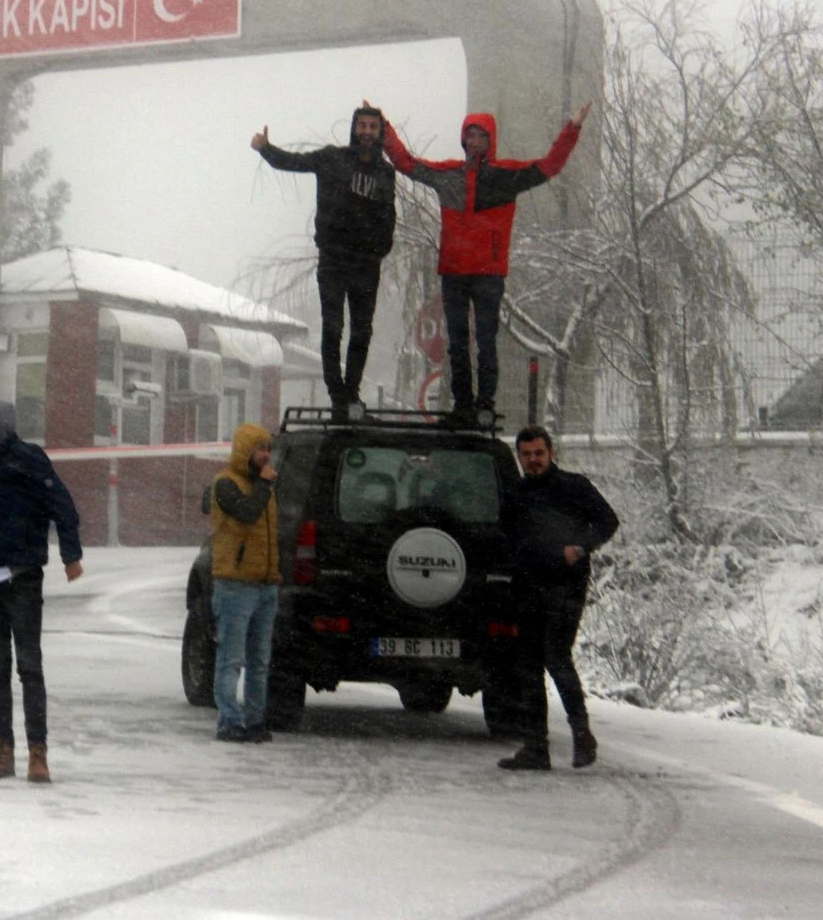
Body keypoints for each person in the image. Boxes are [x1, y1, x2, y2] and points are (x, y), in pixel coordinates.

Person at [378, 102, 591, 422]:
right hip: (453, 270)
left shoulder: (506, 176)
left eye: (480, 135)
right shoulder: (449, 174)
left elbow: (550, 166)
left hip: (488, 272)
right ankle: (463, 404)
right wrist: (383, 128)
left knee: (487, 341)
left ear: (490, 140)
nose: (474, 141)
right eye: (470, 135)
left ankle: (485, 403)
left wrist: (571, 129)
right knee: (458, 343)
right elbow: (406, 163)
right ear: (464, 141)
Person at [0, 400, 84, 784]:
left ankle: (38, 753)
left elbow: (61, 505)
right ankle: (3, 750)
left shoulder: (30, 460)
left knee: (29, 667)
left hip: (24, 577)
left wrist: (71, 555)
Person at [252, 106, 397, 414]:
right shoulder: (333, 158)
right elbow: (294, 162)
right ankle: (337, 394)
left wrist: (380, 249)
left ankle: (352, 391)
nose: (367, 132)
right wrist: (266, 149)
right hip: (333, 259)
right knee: (333, 327)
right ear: (353, 129)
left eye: (373, 126)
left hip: (366, 264)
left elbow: (388, 215)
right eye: (362, 125)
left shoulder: (385, 172)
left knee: (362, 330)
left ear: (379, 132)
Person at [498, 425, 619, 771]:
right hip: (527, 586)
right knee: (529, 666)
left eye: (539, 453)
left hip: (565, 587)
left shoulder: (574, 487)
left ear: (551, 453)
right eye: (527, 455)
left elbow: (608, 521)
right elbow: (504, 534)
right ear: (519, 458)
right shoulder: (516, 493)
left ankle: (582, 736)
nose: (533, 460)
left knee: (556, 657)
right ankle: (536, 747)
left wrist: (581, 547)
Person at [208, 422, 280, 743]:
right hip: (235, 585)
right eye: (259, 449)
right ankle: (229, 722)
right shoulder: (225, 484)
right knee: (231, 659)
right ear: (245, 452)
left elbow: (267, 534)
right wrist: (264, 487)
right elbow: (247, 514)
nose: (265, 455)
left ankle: (255, 721)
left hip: (265, 585)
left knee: (259, 661)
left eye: (267, 449)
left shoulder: (265, 488)